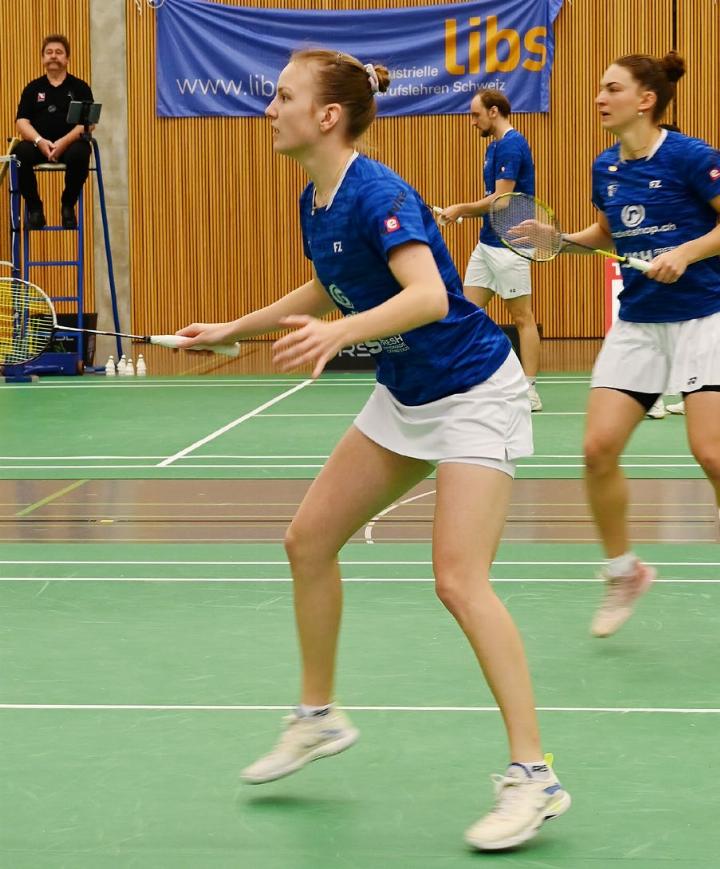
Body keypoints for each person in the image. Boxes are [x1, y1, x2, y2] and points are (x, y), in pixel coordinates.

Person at [176, 49, 570, 851]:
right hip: (406, 392)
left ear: (326, 116)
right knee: (308, 539)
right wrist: (234, 331)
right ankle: (317, 717)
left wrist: (342, 336)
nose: (270, 107)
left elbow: (428, 295)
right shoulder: (315, 199)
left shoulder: (378, 191)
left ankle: (535, 776)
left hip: (470, 389)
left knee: (459, 579)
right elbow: (328, 284)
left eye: (283, 96)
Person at [558, 52, 720, 636]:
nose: (599, 98)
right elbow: (609, 231)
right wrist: (561, 240)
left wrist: (687, 252)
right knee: (597, 450)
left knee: (713, 454)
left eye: (611, 88)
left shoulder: (692, 158)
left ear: (645, 99)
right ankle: (623, 571)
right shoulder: (605, 167)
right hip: (639, 323)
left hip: (704, 315)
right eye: (600, 89)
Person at [439, 90, 543, 412]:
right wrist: (462, 211)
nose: (473, 122)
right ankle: (469, 379)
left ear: (494, 112)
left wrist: (461, 209)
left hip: (511, 244)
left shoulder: (512, 144)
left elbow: (503, 200)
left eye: (476, 115)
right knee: (466, 312)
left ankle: (529, 389)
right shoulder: (493, 147)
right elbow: (492, 201)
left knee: (522, 317)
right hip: (486, 244)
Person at [14, 34, 94, 230]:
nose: (53, 56)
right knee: (19, 154)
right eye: (49, 52)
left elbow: (88, 123)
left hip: (70, 145)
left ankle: (68, 205)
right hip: (38, 145)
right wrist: (40, 141)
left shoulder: (80, 87)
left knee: (81, 152)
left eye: (59, 52)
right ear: (42, 58)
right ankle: (35, 210)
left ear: (67, 59)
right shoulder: (32, 89)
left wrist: (63, 143)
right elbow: (22, 122)